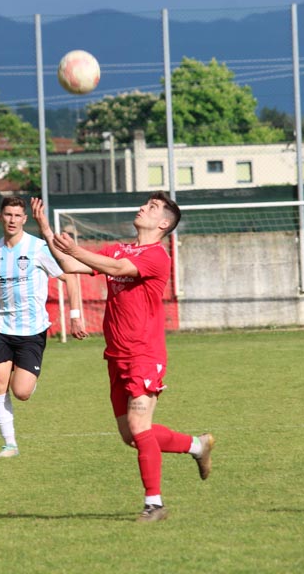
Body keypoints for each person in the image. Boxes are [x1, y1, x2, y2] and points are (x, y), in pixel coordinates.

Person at [32, 192, 214, 523]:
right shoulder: (120, 247)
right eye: (146, 203)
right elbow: (71, 265)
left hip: (144, 352)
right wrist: (46, 230)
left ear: (163, 223)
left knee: (138, 425)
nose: (143, 207)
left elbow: (115, 268)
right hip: (116, 353)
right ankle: (196, 446)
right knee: (131, 436)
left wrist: (76, 248)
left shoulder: (158, 256)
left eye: (152, 207)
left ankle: (154, 505)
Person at [0, 196, 86, 458]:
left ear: (24, 219)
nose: (12, 220)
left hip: (32, 330)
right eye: (8, 215)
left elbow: (70, 277)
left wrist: (75, 316)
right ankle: (9, 444)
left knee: (21, 392)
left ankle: (26, 380)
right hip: (1, 326)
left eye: (17, 215)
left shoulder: (37, 248)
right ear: (0, 217)